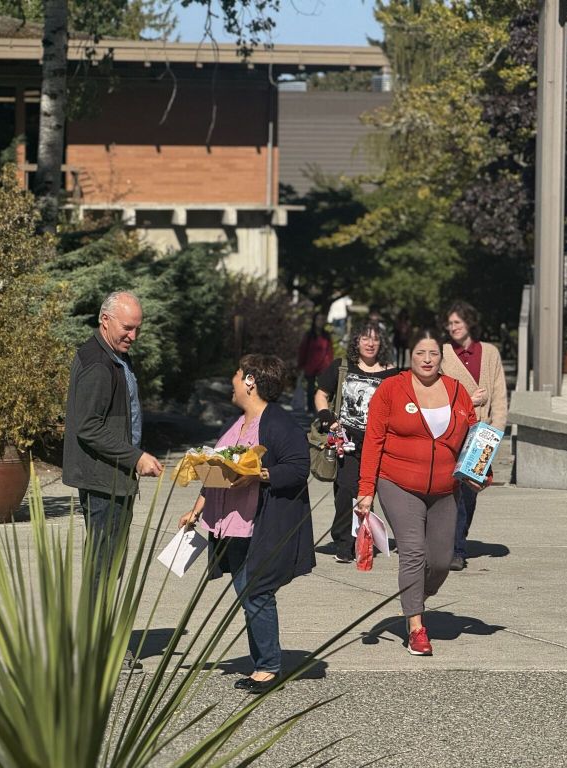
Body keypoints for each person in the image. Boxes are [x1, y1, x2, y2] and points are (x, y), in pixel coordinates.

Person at [179, 354, 314, 693]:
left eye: (237, 374)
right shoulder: (236, 422)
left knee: (257, 590)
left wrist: (259, 473)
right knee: (247, 592)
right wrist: (196, 510)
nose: (233, 380)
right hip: (231, 524)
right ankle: (263, 664)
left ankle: (268, 668)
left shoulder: (279, 424)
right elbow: (217, 472)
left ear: (251, 381)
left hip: (261, 523)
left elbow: (298, 468)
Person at [357, 329, 485, 656]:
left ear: (441, 357)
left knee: (441, 561)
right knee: (413, 552)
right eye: (420, 354)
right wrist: (366, 490)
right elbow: (373, 441)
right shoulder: (391, 389)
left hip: (445, 487)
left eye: (433, 354)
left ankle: (414, 595)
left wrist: (480, 472)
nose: (427, 360)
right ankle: (416, 627)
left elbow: (473, 437)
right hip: (397, 482)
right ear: (409, 356)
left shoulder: (457, 391)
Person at [63, 290, 163, 674]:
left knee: (109, 564)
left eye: (137, 328)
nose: (133, 335)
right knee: (103, 566)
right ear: (105, 320)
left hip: (115, 476)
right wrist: (135, 456)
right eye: (127, 327)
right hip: (104, 478)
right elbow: (88, 426)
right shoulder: (97, 364)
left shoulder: (114, 356)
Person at [314, 322, 397, 563]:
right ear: (356, 342)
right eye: (364, 338)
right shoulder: (341, 367)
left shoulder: (393, 373)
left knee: (374, 491)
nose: (370, 343)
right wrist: (326, 417)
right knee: (347, 490)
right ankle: (344, 542)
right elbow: (321, 393)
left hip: (380, 442)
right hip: (346, 441)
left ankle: (366, 537)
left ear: (381, 343)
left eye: (375, 339)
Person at [441, 301, 508, 571]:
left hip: (481, 436)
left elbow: (500, 396)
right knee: (452, 490)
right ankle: (455, 549)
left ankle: (458, 540)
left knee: (470, 492)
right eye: (450, 323)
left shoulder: (489, 353)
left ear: (469, 322)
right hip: (452, 431)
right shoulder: (443, 354)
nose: (453, 327)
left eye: (458, 322)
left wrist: (496, 432)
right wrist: (469, 399)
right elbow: (439, 394)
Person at [296, 313, 333, 414]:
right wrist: (301, 365)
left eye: (322, 320)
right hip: (310, 366)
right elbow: (303, 351)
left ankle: (320, 409)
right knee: (310, 389)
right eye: (318, 320)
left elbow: (329, 352)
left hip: (323, 367)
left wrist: (330, 366)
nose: (320, 322)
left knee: (322, 390)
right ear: (314, 321)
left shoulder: (326, 336)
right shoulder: (309, 335)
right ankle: (311, 408)